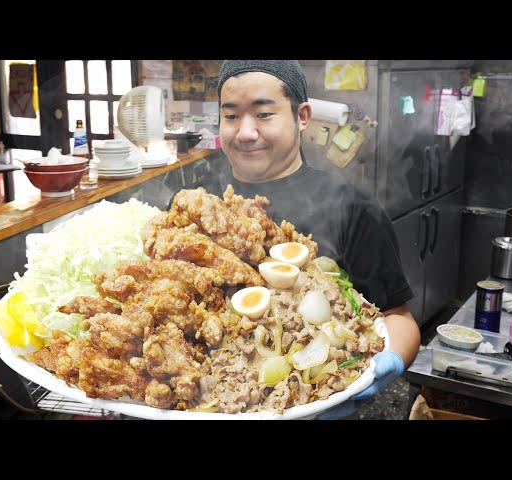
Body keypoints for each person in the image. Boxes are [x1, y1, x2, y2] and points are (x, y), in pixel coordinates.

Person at [179, 60, 420, 418]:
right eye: (231, 117)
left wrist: (389, 362)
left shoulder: (352, 207)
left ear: (302, 116)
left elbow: (398, 315)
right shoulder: (193, 203)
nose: (245, 132)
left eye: (263, 114)